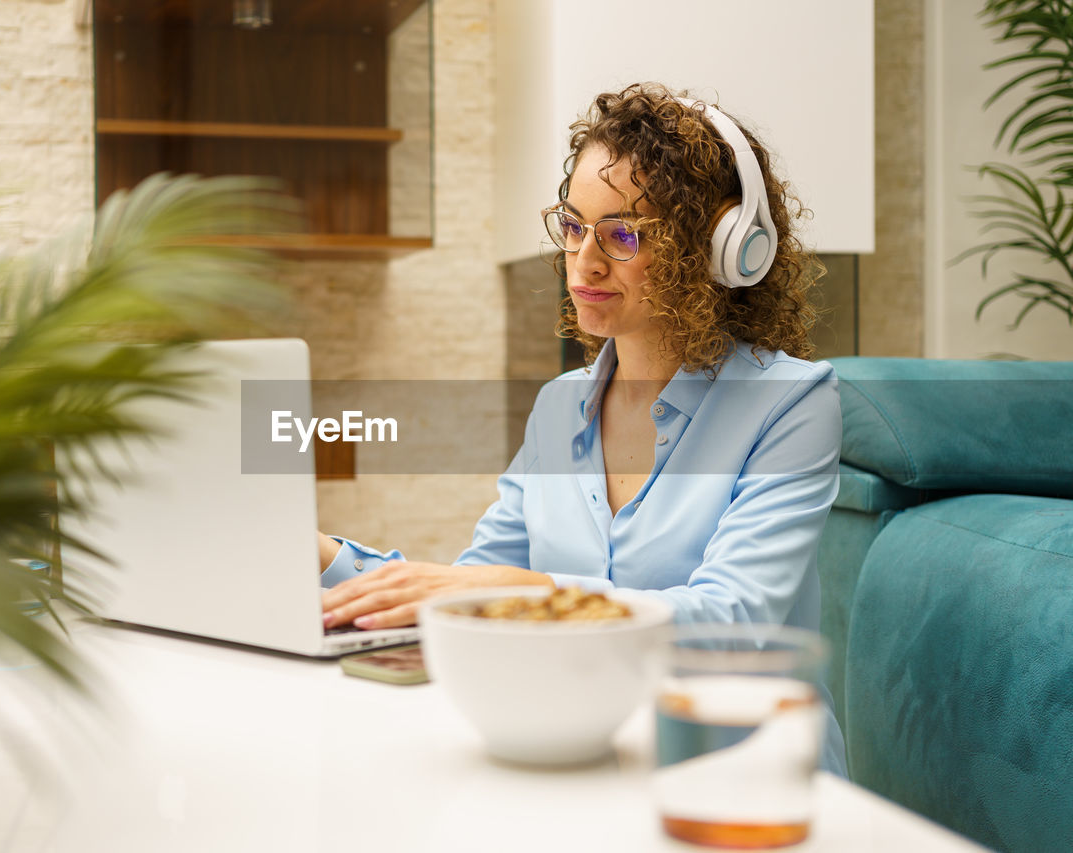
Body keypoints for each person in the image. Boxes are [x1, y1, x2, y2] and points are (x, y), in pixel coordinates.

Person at [318, 83, 846, 774]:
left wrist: (524, 592)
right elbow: (467, 588)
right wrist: (324, 557)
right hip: (590, 759)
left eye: (624, 234)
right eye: (572, 226)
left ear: (718, 247)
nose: (585, 261)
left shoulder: (793, 403)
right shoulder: (558, 408)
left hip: (744, 777)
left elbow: (730, 625)